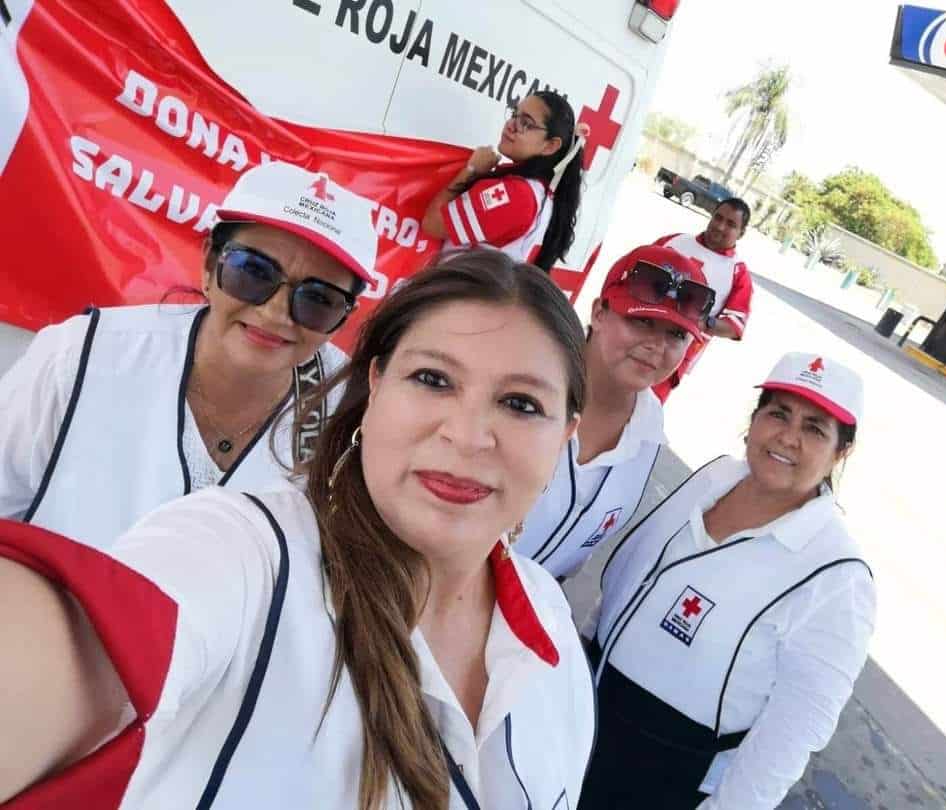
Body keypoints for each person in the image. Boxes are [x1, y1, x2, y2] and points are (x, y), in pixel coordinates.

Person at [0, 250, 596, 809]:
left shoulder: (551, 628)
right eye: (433, 380)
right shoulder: (248, 551)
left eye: (520, 405)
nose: (467, 436)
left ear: (566, 433)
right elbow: (96, 631)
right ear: (377, 384)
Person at [0, 161, 377, 551]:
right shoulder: (83, 355)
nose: (275, 313)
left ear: (342, 317)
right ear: (210, 264)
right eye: (254, 272)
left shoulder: (351, 415)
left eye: (318, 300)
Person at [579, 352, 876, 809]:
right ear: (755, 420)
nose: (788, 437)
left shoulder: (837, 577)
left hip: (663, 780)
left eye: (815, 429)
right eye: (778, 413)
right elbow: (630, 584)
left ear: (841, 452)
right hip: (578, 716)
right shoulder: (715, 477)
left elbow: (793, 733)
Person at [514, 244, 714, 579]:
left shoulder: (649, 432)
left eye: (676, 334)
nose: (656, 346)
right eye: (642, 321)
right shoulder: (522, 384)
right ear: (599, 313)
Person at [421, 91, 587, 270]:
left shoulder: (518, 195)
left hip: (457, 292)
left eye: (526, 123)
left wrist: (471, 170)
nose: (510, 125)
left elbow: (433, 224)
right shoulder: (541, 193)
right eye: (515, 114)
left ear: (550, 145)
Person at [652, 197, 755, 402]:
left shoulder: (738, 272)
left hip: (677, 351)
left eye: (731, 224)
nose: (720, 226)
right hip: (640, 327)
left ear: (741, 233)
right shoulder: (674, 241)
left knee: (643, 409)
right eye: (718, 217)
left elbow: (734, 327)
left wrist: (701, 321)